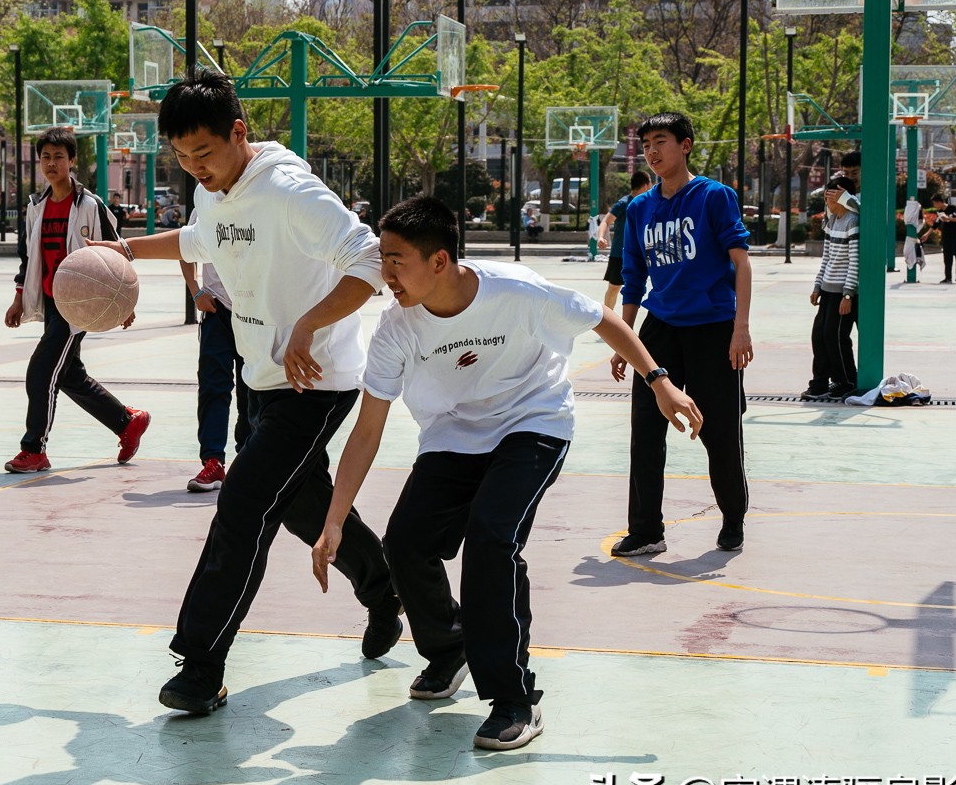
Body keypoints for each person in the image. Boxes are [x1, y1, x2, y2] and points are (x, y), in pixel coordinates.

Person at [312, 197, 701, 751]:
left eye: (396, 260)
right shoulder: (396, 329)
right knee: (405, 542)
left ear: (439, 261)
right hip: (452, 435)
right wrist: (333, 520)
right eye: (383, 258)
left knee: (492, 538)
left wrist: (659, 380)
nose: (385, 273)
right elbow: (368, 429)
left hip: (532, 422)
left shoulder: (516, 290)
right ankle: (451, 647)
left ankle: (515, 698)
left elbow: (602, 318)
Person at [85, 69, 401, 717]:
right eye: (180, 156)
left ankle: (200, 666)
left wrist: (309, 325)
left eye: (203, 153)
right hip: (262, 376)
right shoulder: (217, 192)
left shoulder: (288, 191)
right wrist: (124, 251)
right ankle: (386, 590)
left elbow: (368, 260)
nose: (194, 167)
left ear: (239, 132)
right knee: (298, 507)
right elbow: (202, 239)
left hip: (316, 382)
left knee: (243, 506)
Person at [611, 112, 753, 556]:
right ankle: (647, 530)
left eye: (661, 142)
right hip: (661, 329)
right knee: (645, 432)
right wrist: (625, 339)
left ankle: (733, 517)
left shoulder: (714, 196)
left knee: (719, 432)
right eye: (646, 144)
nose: (652, 152)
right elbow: (633, 279)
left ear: (685, 145)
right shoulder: (638, 209)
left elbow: (742, 264)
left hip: (713, 327)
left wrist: (740, 330)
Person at [3, 126, 150, 475]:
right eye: (46, 157)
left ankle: (33, 449)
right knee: (68, 375)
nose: (52, 163)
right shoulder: (36, 206)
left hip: (79, 305)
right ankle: (126, 421)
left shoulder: (90, 205)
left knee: (40, 372)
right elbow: (28, 257)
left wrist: (124, 301)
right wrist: (19, 297)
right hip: (53, 300)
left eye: (59, 157)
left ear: (72, 161)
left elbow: (118, 252)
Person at [180, 229, 249, 493]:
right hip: (216, 308)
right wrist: (196, 291)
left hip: (253, 310)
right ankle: (213, 461)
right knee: (212, 386)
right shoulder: (206, 206)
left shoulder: (260, 199)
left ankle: (247, 459)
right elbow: (183, 249)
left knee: (253, 387)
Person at [802, 178, 860, 401]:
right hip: (827, 290)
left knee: (835, 338)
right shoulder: (832, 221)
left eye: (831, 196)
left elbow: (854, 261)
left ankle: (846, 381)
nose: (827, 200)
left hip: (841, 292)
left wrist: (848, 294)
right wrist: (817, 286)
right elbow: (826, 258)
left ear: (843, 197)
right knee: (819, 336)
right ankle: (819, 383)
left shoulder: (852, 222)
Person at [597, 171, 651, 308]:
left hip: (640, 254)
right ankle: (608, 319)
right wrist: (601, 237)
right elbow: (605, 221)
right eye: (650, 182)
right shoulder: (623, 203)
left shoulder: (648, 203)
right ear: (645, 186)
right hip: (619, 254)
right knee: (614, 288)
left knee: (637, 289)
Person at [933, 193, 956, 284]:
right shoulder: (939, 212)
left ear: (939, 202)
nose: (934, 206)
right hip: (946, 238)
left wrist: (948, 219)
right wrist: (927, 234)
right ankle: (948, 277)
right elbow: (935, 224)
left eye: (934, 203)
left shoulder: (953, 208)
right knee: (947, 258)